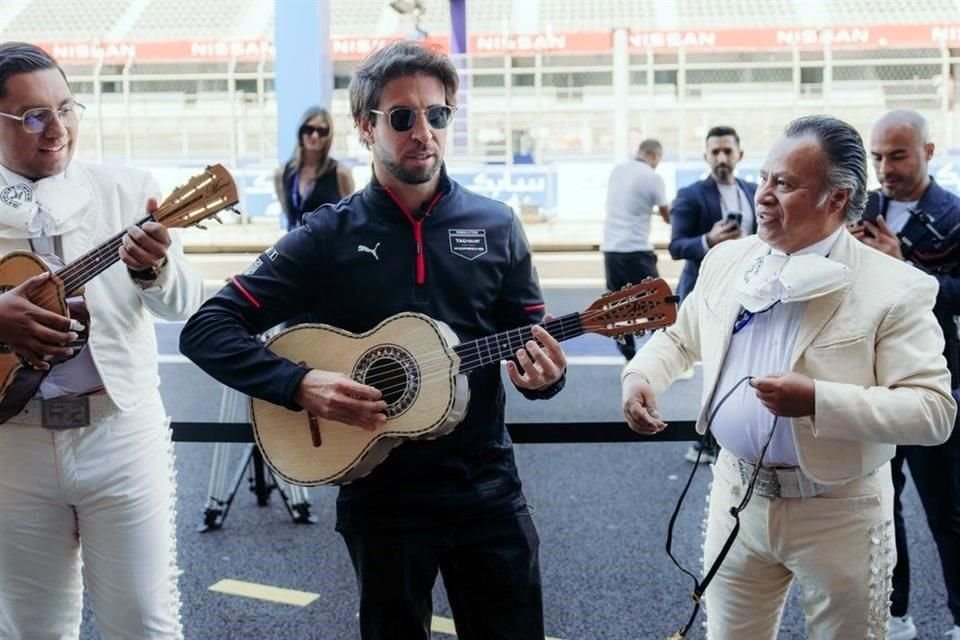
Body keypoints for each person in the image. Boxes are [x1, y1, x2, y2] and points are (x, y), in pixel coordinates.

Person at [179, 40, 567, 640]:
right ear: (366, 127)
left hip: (485, 486)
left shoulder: (496, 224)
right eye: (403, 117)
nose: (424, 132)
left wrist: (547, 378)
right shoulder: (327, 235)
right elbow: (207, 328)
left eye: (437, 115)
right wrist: (300, 385)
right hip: (379, 493)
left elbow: (534, 347)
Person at [621, 115, 956, 640]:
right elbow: (682, 337)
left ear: (837, 198)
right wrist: (642, 376)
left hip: (840, 509)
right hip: (735, 495)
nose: (763, 196)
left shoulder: (897, 286)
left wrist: (818, 400)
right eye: (765, 178)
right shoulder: (726, 261)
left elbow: (933, 411)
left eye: (786, 184)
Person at [0, 42, 202, 639]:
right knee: (29, 629)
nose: (57, 128)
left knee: (143, 621)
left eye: (67, 107)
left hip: (119, 432)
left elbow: (184, 302)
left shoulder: (126, 190)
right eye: (34, 115)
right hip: (12, 443)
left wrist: (153, 270)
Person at [852, 109, 960, 640]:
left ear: (928, 152)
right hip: (868, 384)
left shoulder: (954, 214)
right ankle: (893, 615)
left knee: (949, 515)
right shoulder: (863, 207)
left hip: (932, 384)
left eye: (897, 155)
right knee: (879, 511)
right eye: (877, 156)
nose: (885, 168)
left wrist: (906, 268)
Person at [669, 126, 757, 464]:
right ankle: (704, 440)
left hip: (750, 294)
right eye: (715, 152)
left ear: (739, 154)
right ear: (706, 156)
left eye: (727, 151)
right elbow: (677, 246)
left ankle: (734, 437)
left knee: (743, 367)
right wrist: (709, 240)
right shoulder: (691, 195)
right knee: (716, 368)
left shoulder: (752, 190)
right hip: (707, 294)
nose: (722, 158)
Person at [601, 138, 670, 360]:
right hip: (637, 251)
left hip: (611, 250)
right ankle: (661, 354)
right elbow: (668, 217)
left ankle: (629, 357)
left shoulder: (617, 171)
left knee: (617, 308)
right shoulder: (652, 177)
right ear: (655, 156)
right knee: (659, 303)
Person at [274, 105, 355, 229]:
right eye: (309, 129)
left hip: (328, 245)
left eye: (322, 131)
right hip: (294, 245)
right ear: (300, 132)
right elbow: (289, 215)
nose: (315, 136)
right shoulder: (282, 173)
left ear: (329, 135)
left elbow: (350, 217)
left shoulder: (340, 173)